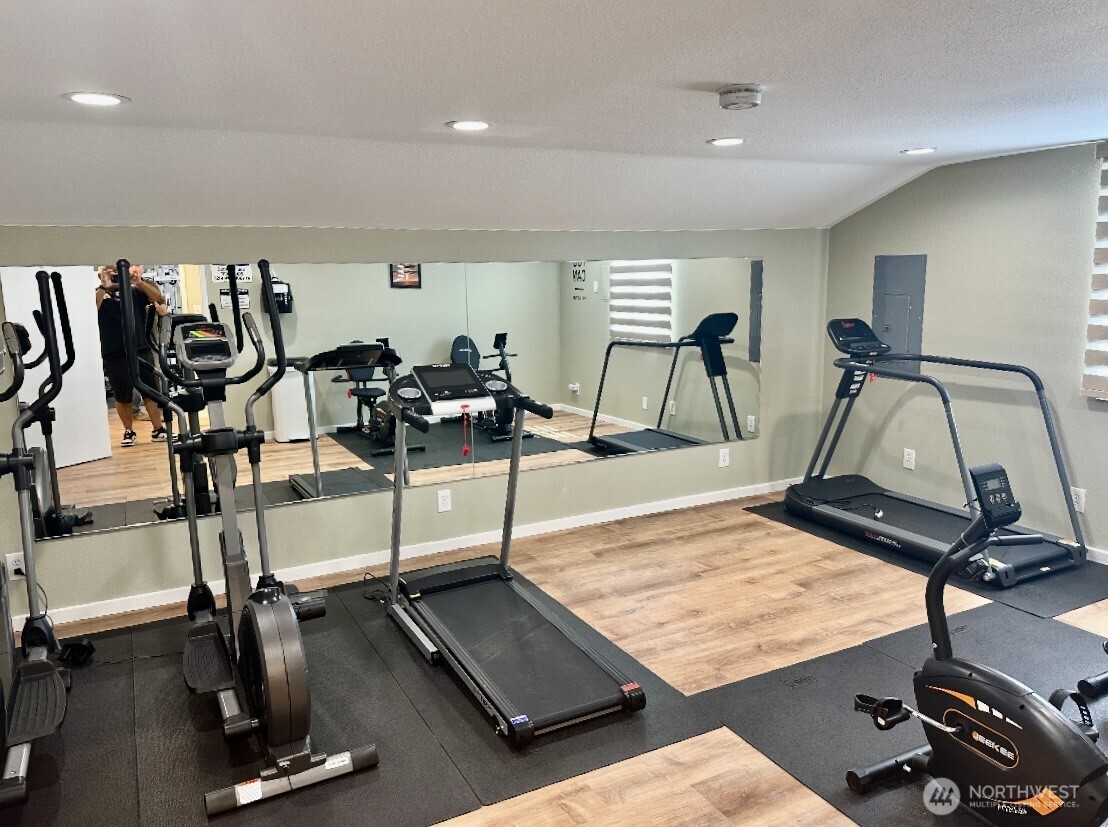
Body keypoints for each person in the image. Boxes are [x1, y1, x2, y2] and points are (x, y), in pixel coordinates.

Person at [95, 263, 169, 447]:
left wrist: (138, 281)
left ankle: (158, 428)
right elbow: (91, 310)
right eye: (111, 274)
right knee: (122, 394)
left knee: (151, 390)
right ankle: (128, 431)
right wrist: (104, 286)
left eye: (117, 273)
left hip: (140, 348)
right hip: (114, 351)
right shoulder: (99, 294)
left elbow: (159, 300)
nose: (115, 277)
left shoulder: (135, 293)